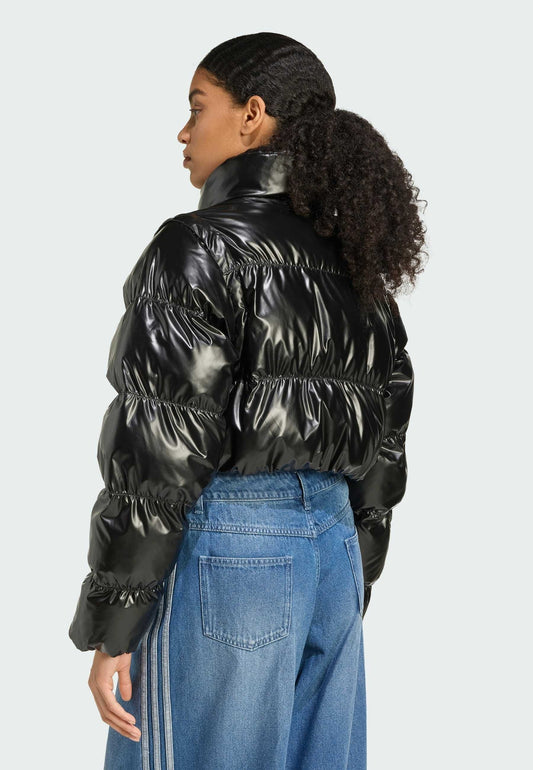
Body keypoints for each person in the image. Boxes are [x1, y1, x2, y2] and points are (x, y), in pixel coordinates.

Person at [68, 32, 426, 770]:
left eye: (198, 106)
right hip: (330, 559)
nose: (183, 130)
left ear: (252, 115)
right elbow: (384, 446)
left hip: (233, 552)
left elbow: (159, 445)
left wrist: (115, 622)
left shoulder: (199, 246)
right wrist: (345, 576)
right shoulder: (356, 266)